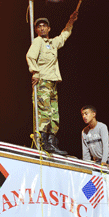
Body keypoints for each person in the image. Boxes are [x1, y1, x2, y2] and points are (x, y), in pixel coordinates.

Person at [26, 11, 78, 155]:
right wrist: (35, 72)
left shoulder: (52, 43)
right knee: (44, 112)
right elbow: (30, 56)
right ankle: (43, 141)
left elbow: (64, 35)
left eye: (44, 26)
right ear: (36, 30)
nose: (42, 28)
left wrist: (71, 21)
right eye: (39, 26)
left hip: (52, 82)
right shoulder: (38, 42)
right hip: (43, 81)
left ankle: (52, 142)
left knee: (54, 113)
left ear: (49, 29)